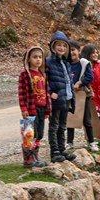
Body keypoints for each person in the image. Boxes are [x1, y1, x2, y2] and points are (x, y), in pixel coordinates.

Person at [44, 31, 76, 162]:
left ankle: (62, 149)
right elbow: (44, 79)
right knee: (54, 125)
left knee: (62, 125)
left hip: (66, 98)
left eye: (64, 45)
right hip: (56, 99)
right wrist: (50, 92)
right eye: (59, 45)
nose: (61, 48)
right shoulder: (48, 62)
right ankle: (54, 151)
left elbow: (68, 81)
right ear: (53, 46)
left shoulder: (66, 63)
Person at [17, 46, 50, 167]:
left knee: (39, 133)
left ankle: (35, 156)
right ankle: (28, 159)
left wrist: (47, 109)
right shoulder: (25, 74)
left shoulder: (42, 74)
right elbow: (22, 92)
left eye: (40, 57)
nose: (38, 59)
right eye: (35, 57)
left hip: (42, 107)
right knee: (29, 134)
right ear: (28, 59)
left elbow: (46, 92)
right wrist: (23, 108)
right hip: (31, 108)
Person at [65, 41, 94, 150]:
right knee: (71, 118)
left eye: (73, 50)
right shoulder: (66, 63)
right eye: (69, 50)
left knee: (87, 119)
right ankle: (70, 142)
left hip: (82, 94)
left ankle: (91, 141)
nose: (71, 53)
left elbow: (90, 77)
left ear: (79, 50)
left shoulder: (84, 63)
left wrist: (80, 82)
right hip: (70, 94)